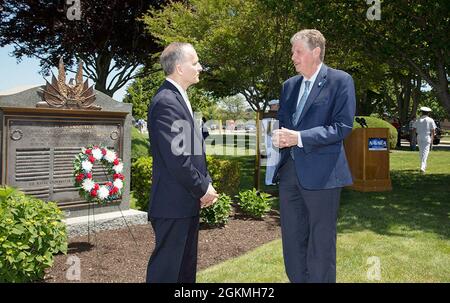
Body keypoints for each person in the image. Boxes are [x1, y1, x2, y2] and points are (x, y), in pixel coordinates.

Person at [272, 29, 356, 283]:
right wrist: (279, 136)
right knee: (292, 238)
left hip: (324, 175)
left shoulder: (341, 81)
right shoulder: (288, 86)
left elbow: (341, 127)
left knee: (321, 241)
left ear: (315, 52)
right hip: (289, 174)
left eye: (298, 51)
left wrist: (299, 138)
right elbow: (284, 123)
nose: (293, 57)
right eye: (292, 52)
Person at [146, 42, 218, 283]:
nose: (200, 67)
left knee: (184, 274)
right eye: (195, 62)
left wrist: (205, 183)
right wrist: (202, 188)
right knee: (167, 274)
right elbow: (177, 159)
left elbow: (193, 149)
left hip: (184, 203)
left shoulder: (179, 98)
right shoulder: (166, 101)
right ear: (179, 67)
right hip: (172, 205)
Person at [412, 106, 436, 173]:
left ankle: (423, 165)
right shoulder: (431, 120)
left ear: (422, 112)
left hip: (419, 137)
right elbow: (433, 131)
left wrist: (414, 137)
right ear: (428, 113)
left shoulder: (418, 120)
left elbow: (413, 129)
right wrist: (432, 140)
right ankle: (423, 166)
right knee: (425, 152)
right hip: (426, 137)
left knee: (421, 152)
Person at [262, 99, 280, 185]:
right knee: (271, 163)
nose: (278, 107)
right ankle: (269, 181)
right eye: (277, 105)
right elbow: (269, 131)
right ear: (273, 106)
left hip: (278, 143)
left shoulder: (276, 116)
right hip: (270, 143)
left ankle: (275, 179)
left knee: (277, 162)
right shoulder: (267, 118)